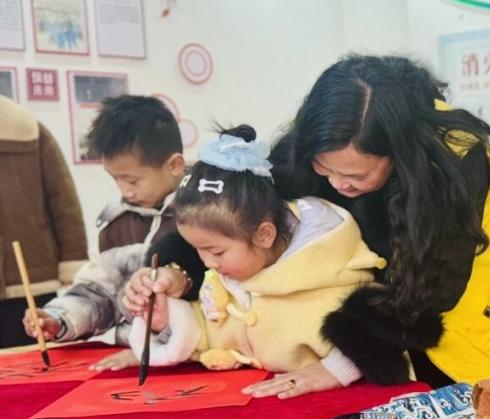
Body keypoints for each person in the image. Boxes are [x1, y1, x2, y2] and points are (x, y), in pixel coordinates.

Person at [126, 57, 490, 400]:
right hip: (397, 318)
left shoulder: (452, 164)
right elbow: (236, 216)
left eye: (357, 175)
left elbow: (430, 290)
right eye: (325, 169)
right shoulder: (311, 146)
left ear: (397, 155)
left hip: (486, 321)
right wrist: (175, 271)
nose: (338, 184)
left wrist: (341, 364)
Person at [128, 128, 385, 375]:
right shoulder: (228, 276)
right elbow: (211, 332)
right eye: (197, 250)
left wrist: (339, 370)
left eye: (216, 251)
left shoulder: (331, 275)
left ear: (264, 235)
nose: (207, 263)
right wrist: (165, 318)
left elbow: (373, 344)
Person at [24, 95, 184, 369]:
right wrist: (59, 318)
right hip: (128, 356)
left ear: (174, 165)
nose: (125, 191)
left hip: (192, 353)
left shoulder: (204, 217)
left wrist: (155, 349)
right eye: (115, 179)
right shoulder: (115, 223)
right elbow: (98, 293)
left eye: (132, 180)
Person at [0, 95, 87, 348]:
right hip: (28, 272)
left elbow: (63, 201)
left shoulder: (25, 129)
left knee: (32, 359)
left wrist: (72, 261)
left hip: (28, 276)